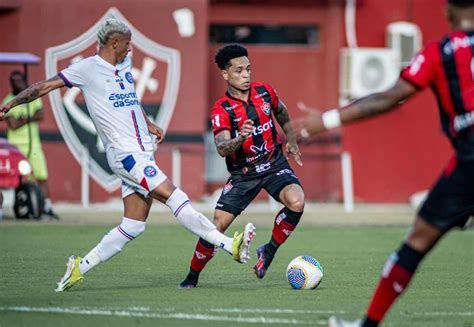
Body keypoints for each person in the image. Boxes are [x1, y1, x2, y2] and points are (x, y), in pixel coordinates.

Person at [0, 19, 256, 292]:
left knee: (133, 225)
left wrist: (148, 123)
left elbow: (130, 100)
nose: (130, 47)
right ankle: (230, 246)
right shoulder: (86, 69)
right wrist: (11, 104)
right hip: (126, 155)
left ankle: (78, 267)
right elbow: (42, 87)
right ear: (113, 43)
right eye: (127, 42)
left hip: (142, 150)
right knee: (176, 196)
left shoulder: (123, 66)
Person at [294, 1, 474, 326]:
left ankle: (368, 325)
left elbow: (388, 98)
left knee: (417, 241)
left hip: (469, 165)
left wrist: (324, 120)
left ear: (447, 13)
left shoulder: (440, 52)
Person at [179, 44, 305, 288]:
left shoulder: (265, 92)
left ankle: (268, 251)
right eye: (238, 71)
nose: (246, 75)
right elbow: (221, 147)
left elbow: (282, 112)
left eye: (248, 69)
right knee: (217, 226)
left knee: (297, 201)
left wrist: (291, 139)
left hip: (273, 164)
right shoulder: (222, 109)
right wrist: (240, 138)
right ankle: (192, 277)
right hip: (243, 174)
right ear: (225, 74)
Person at [3, 71, 58, 219]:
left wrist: (22, 118)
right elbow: (13, 125)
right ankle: (17, 206)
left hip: (33, 145)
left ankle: (47, 206)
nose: (17, 83)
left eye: (19, 80)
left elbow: (40, 115)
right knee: (15, 179)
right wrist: (29, 118)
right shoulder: (8, 101)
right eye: (13, 81)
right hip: (15, 147)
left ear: (24, 80)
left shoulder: (32, 98)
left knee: (41, 176)